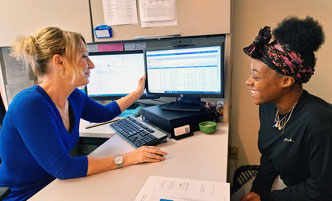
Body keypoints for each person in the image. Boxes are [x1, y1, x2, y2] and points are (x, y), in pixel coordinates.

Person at [0, 27, 167, 200]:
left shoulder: (73, 96)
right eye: (84, 56)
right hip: (26, 195)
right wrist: (127, 158)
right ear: (59, 62)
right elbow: (64, 168)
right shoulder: (30, 105)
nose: (92, 65)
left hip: (57, 186)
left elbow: (105, 113)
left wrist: (137, 93)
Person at [241, 16, 332, 201]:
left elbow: (321, 190)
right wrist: (258, 190)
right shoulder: (268, 107)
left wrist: (266, 199)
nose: (248, 82)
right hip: (290, 186)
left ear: (286, 81)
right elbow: (270, 156)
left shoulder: (320, 121)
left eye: (256, 77)